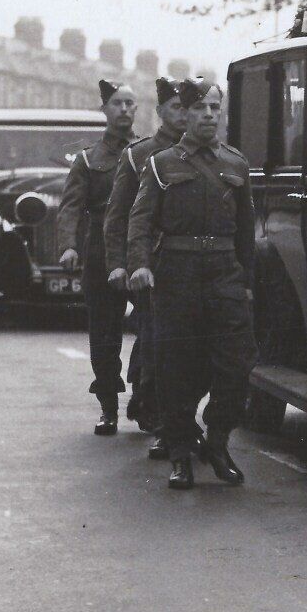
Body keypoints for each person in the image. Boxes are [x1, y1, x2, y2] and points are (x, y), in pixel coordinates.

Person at [125, 79, 257, 490]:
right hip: (177, 275)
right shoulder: (162, 163)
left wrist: (247, 282)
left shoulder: (236, 164)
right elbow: (140, 220)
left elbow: (246, 233)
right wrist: (139, 265)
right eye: (200, 108)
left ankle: (217, 443)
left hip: (224, 275)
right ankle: (181, 454)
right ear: (185, 112)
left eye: (215, 108)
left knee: (235, 366)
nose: (209, 116)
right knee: (175, 368)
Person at [105, 78, 192, 454]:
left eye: (189, 108)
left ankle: (147, 398)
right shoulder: (139, 155)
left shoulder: (202, 153)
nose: (185, 116)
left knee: (171, 340)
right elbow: (118, 215)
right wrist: (120, 265)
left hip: (189, 264)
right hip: (150, 263)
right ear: (160, 112)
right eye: (176, 108)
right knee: (159, 338)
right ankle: (157, 414)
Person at [56, 79, 142, 436]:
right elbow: (70, 207)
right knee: (104, 335)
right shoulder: (89, 160)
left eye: (130, 104)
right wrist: (68, 246)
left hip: (140, 253)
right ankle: (108, 407)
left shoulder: (147, 153)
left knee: (153, 328)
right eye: (117, 103)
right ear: (105, 110)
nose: (124, 110)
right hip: (100, 255)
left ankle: (146, 396)